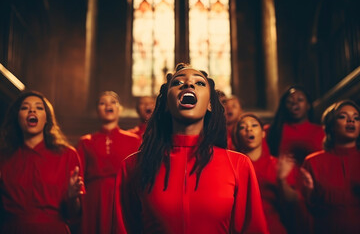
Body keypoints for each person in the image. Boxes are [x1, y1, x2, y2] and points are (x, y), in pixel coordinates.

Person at [114, 63, 269, 234]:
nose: (189, 84)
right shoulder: (133, 166)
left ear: (210, 104)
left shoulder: (239, 165)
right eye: (178, 82)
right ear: (166, 103)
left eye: (200, 83)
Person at [0, 90, 84, 234]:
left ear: (47, 119)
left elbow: (74, 215)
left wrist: (72, 197)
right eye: (25, 107)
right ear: (17, 117)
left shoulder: (68, 155)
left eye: (39, 107)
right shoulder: (4, 157)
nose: (32, 110)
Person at [76, 91, 141, 234]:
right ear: (97, 110)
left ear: (120, 109)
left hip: (123, 198)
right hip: (94, 200)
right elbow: (79, 178)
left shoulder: (134, 140)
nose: (108, 105)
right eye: (102, 103)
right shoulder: (85, 141)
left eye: (113, 102)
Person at [265, 85, 324, 233]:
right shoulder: (272, 131)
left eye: (300, 100)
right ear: (284, 106)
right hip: (281, 191)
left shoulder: (321, 132)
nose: (295, 104)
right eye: (290, 101)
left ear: (308, 105)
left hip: (313, 192)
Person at [302, 100, 360, 233]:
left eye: (356, 118)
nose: (351, 121)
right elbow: (304, 211)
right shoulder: (313, 162)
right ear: (331, 125)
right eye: (343, 116)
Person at [232, 113, 287, 234]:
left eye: (254, 125)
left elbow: (292, 207)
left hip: (273, 227)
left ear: (263, 133)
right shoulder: (232, 166)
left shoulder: (277, 165)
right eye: (242, 127)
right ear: (237, 136)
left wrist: (283, 181)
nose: (249, 129)